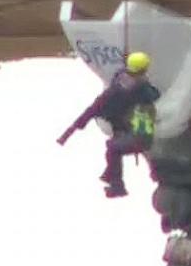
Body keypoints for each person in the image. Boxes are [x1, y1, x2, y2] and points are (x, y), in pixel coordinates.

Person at [59, 51, 159, 199]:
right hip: (136, 131)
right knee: (114, 147)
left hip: (130, 129)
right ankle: (115, 182)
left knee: (113, 148)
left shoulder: (119, 80)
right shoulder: (142, 89)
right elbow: (155, 95)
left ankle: (116, 184)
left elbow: (99, 104)